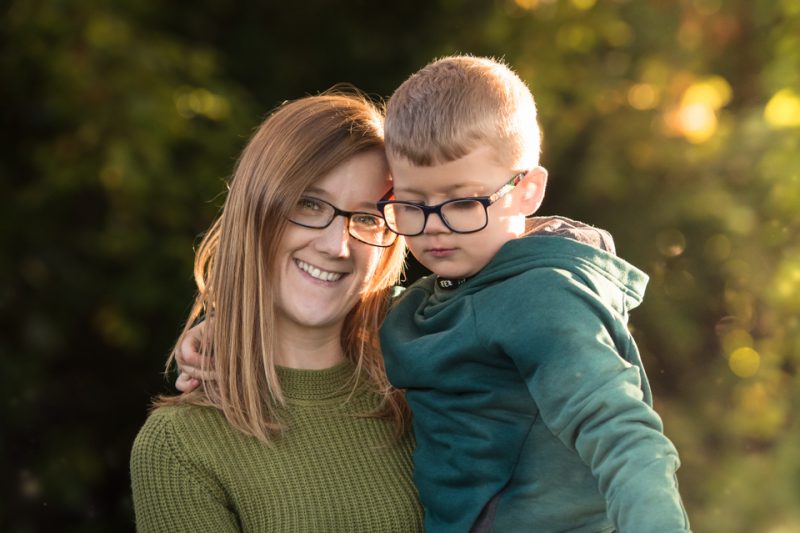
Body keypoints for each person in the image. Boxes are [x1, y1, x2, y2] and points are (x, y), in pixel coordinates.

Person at [179, 56, 691, 532]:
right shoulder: (434, 304)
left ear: (527, 191)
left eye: (462, 203)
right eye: (413, 204)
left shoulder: (546, 301)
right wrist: (227, 325)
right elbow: (355, 316)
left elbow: (625, 439)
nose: (435, 230)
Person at [129, 92, 423, 532]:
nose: (335, 245)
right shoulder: (181, 446)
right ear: (256, 211)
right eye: (309, 204)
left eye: (367, 218)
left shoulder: (431, 387)